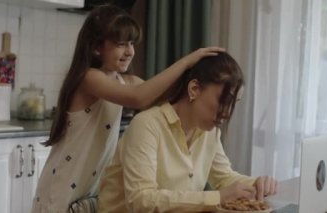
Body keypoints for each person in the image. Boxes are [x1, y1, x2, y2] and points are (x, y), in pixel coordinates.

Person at [31, 4, 224, 213]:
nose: (130, 51)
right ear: (97, 47)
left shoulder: (124, 81)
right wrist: (187, 61)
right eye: (121, 44)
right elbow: (139, 98)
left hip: (89, 192)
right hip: (63, 187)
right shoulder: (89, 78)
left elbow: (163, 95)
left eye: (131, 43)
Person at [98, 52, 278, 213]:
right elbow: (141, 201)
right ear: (194, 89)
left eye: (234, 103)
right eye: (224, 100)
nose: (227, 113)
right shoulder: (146, 126)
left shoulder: (209, 132)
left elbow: (224, 178)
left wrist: (255, 185)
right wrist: (217, 198)